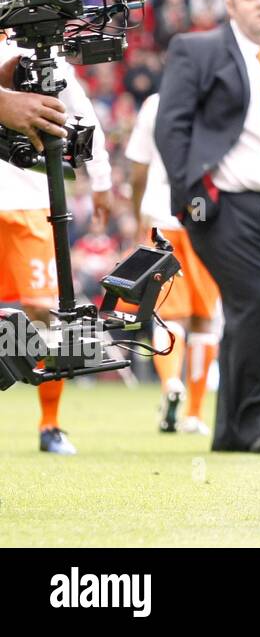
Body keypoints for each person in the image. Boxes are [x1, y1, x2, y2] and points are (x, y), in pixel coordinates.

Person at [155, 0, 260, 454]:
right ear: (230, 5)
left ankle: (230, 433)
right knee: (258, 305)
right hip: (227, 205)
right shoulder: (197, 50)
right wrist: (193, 198)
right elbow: (171, 127)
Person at [0, 39, 112, 454]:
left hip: (29, 201)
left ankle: (50, 424)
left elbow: (81, 112)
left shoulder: (33, 44)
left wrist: (100, 178)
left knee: (45, 311)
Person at [126, 92, 221, 435]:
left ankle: (170, 386)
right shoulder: (220, 99)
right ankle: (194, 414)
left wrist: (140, 213)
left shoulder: (155, 103)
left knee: (168, 313)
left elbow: (139, 170)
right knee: (205, 319)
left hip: (161, 218)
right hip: (206, 218)